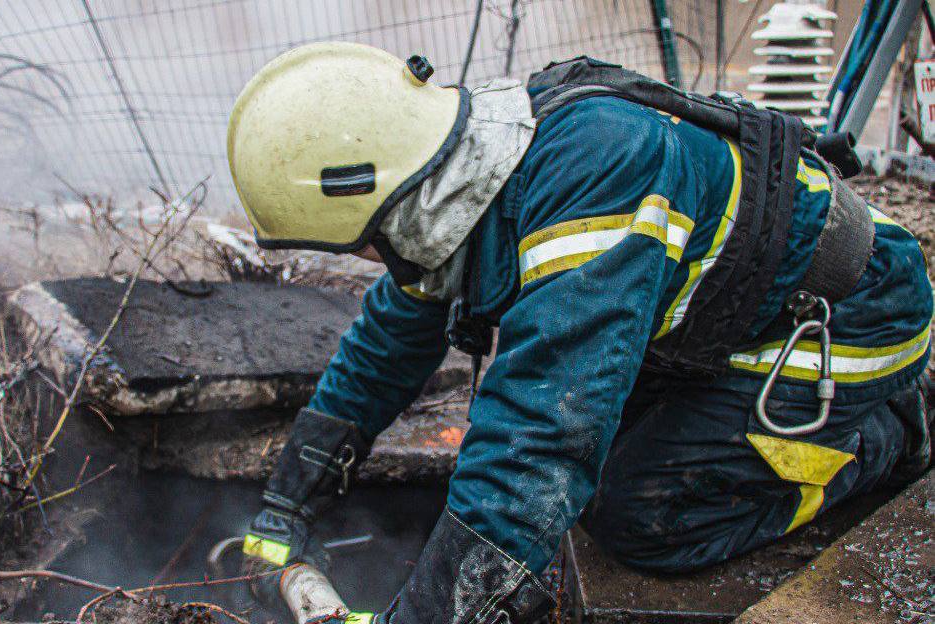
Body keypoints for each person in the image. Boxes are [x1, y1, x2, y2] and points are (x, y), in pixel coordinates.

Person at [224, 42, 933, 623]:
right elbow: (386, 345)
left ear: (380, 202)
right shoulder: (460, 176)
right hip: (729, 321)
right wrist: (286, 505)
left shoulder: (593, 173)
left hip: (851, 319)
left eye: (357, 245)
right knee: (592, 476)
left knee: (640, 513)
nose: (367, 259)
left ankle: (890, 434)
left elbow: (541, 437)